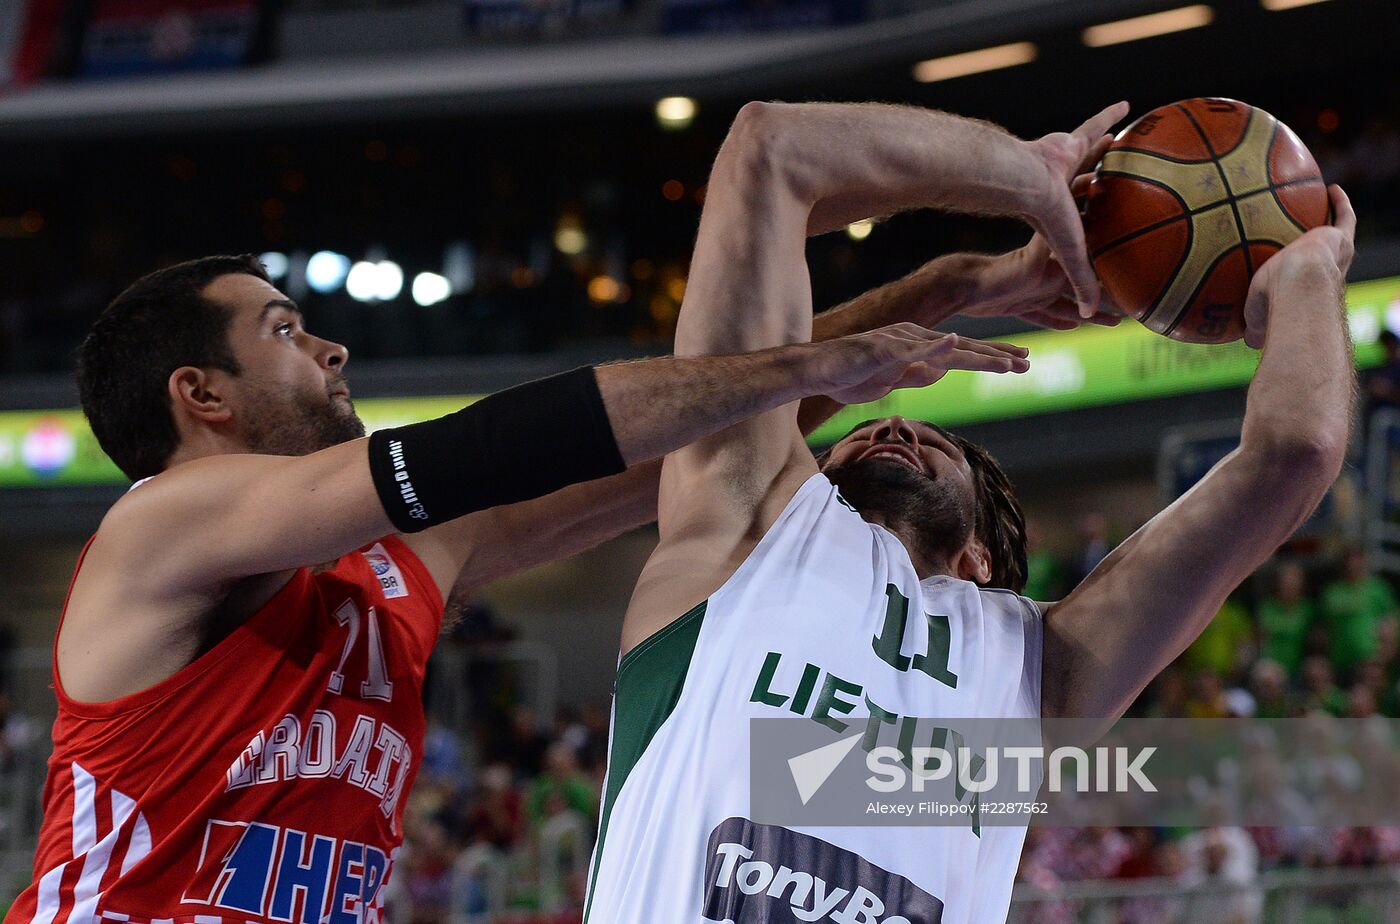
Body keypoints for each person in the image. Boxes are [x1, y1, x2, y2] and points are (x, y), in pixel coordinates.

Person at [7, 254, 1026, 924]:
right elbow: (479, 451)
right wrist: (815, 359)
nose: (330, 347)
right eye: (282, 331)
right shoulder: (159, 527)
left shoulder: (388, 568)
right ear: (201, 394)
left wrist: (943, 298)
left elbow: (697, 439)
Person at [583, 99, 1355, 923]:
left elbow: (1294, 455)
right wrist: (1030, 176)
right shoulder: (741, 526)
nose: (887, 423)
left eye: (932, 440)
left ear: (984, 557)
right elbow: (768, 148)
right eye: (855, 434)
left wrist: (1303, 273)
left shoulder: (1042, 674)